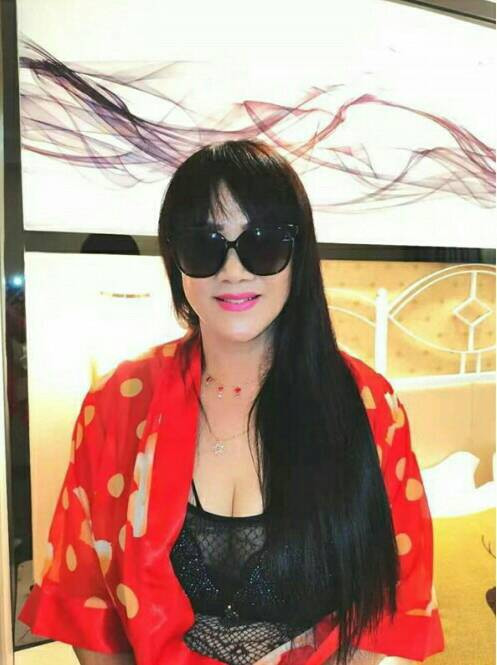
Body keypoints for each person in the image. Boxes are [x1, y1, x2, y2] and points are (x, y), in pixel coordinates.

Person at [18, 140, 444, 665]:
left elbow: (385, 595)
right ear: (175, 259)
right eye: (205, 244)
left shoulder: (368, 404)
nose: (234, 270)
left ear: (298, 255)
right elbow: (86, 599)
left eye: (263, 244)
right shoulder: (119, 403)